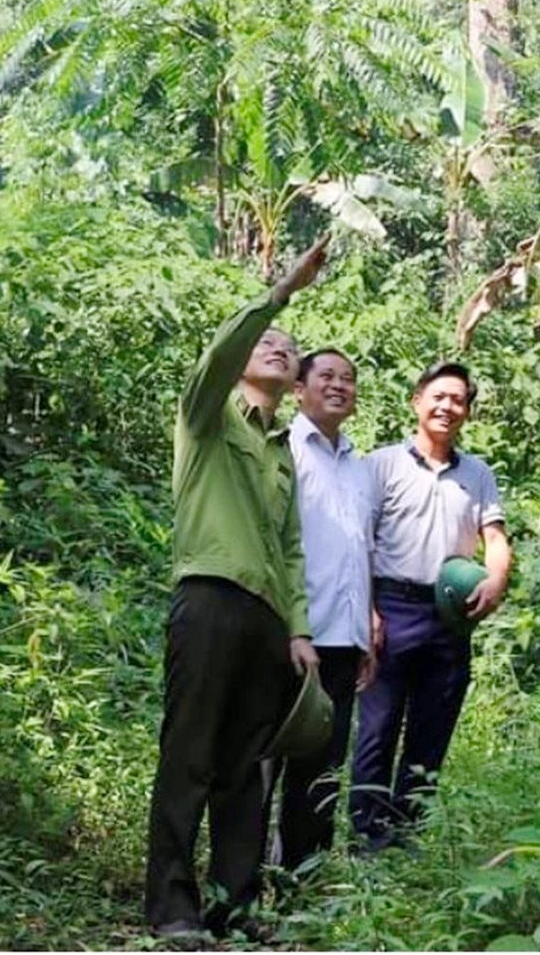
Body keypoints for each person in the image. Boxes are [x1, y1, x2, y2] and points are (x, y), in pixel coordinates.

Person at [145, 233, 329, 946]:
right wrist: (280, 291)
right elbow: (223, 353)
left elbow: (290, 549)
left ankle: (235, 904)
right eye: (269, 342)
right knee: (188, 752)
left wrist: (300, 629)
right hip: (210, 598)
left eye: (290, 345)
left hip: (266, 618)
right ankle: (173, 908)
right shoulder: (207, 416)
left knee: (245, 771)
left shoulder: (283, 452)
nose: (279, 348)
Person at [350, 361, 510, 850]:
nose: (447, 407)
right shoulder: (380, 464)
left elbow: (496, 537)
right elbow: (358, 539)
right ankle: (367, 835)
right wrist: (369, 609)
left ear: (467, 412)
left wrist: (497, 579)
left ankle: (407, 832)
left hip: (449, 614)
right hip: (391, 604)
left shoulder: (477, 473)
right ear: (417, 402)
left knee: (432, 727)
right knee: (376, 728)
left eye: (458, 400)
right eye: (438, 397)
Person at [275, 348, 382, 872]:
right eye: (327, 377)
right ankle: (246, 882)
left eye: (348, 378)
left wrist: (366, 629)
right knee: (267, 760)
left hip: (344, 639)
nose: (339, 385)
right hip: (291, 631)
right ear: (299, 388)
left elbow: (360, 553)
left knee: (323, 768)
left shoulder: (360, 469)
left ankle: (303, 879)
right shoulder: (283, 451)